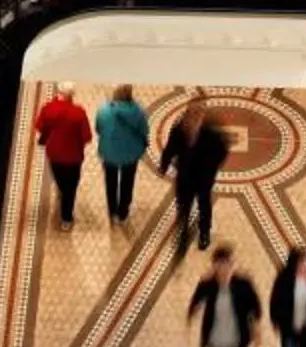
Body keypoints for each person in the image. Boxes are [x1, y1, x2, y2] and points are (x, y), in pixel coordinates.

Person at [160, 98, 229, 259]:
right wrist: (164, 165)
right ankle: (182, 235)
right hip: (184, 178)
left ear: (202, 115)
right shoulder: (178, 130)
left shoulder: (212, 134)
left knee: (204, 206)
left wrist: (212, 167)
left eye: (198, 114)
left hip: (203, 180)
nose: (193, 117)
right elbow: (170, 149)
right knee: (183, 207)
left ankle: (204, 232)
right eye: (191, 113)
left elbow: (222, 151)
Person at [35, 85, 93, 228]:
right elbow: (87, 137)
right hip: (73, 156)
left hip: (54, 154)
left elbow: (39, 126)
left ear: (59, 92)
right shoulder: (78, 113)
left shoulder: (48, 109)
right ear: (71, 95)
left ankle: (62, 189)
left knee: (60, 179)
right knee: (71, 187)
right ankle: (66, 218)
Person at [95, 83, 151, 224]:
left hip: (109, 153)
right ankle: (123, 213)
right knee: (127, 182)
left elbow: (98, 128)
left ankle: (112, 210)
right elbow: (145, 130)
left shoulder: (104, 110)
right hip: (131, 154)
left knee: (110, 181)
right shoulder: (138, 112)